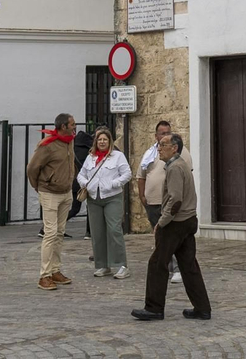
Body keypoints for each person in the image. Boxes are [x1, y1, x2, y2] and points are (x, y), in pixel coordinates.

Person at [131, 133, 212, 321]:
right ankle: (202, 307)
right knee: (188, 265)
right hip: (188, 220)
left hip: (176, 223)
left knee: (157, 263)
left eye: (163, 145)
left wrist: (162, 222)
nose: (159, 148)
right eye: (159, 145)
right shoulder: (179, 165)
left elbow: (175, 200)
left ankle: (154, 308)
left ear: (174, 148)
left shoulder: (175, 167)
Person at [138, 119, 193, 283]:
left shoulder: (179, 152)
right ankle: (166, 267)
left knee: (172, 237)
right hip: (153, 202)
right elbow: (140, 175)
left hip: (170, 204)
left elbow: (187, 175)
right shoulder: (150, 153)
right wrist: (142, 196)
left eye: (168, 132)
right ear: (156, 136)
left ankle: (177, 269)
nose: (166, 136)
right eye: (162, 133)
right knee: (160, 238)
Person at [27, 113, 77, 290]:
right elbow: (32, 168)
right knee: (50, 233)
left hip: (66, 192)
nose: (74, 126)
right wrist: (39, 186)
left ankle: (55, 270)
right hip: (49, 193)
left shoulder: (70, 141)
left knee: (60, 232)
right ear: (63, 126)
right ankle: (45, 275)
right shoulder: (47, 146)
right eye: (72, 124)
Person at [77, 127, 132, 278]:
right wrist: (86, 184)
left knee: (114, 229)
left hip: (112, 196)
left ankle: (121, 264)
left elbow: (127, 174)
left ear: (110, 141)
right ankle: (102, 265)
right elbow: (81, 175)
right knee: (97, 232)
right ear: (96, 141)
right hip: (94, 198)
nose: (102, 142)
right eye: (99, 139)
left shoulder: (117, 156)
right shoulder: (91, 157)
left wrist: (114, 184)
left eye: (105, 139)